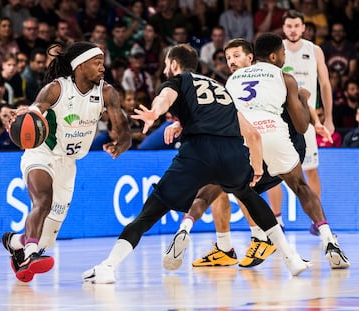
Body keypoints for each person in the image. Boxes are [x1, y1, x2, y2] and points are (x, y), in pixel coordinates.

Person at [83, 43, 311, 284]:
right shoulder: (221, 88)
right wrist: (255, 167)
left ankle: (108, 267)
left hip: (198, 152)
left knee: (149, 213)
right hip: (232, 153)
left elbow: (165, 98)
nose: (164, 69)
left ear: (173, 64)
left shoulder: (177, 81)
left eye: (165, 65)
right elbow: (252, 134)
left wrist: (154, 112)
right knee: (248, 196)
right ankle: (291, 258)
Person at [170, 37, 330, 269]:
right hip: (262, 141)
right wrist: (183, 123)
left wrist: (317, 121)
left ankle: (260, 237)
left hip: (275, 139)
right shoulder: (233, 82)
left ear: (251, 57)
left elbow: (299, 109)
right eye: (228, 58)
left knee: (238, 184)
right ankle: (227, 247)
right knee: (223, 184)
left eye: (236, 56)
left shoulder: (274, 77)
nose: (231, 62)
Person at [1, 41, 131, 283]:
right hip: (42, 152)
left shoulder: (107, 92)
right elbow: (35, 111)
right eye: (97, 62)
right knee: (43, 200)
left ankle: (15, 243)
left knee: (47, 238)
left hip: (68, 163)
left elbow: (124, 133)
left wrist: (119, 146)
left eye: (103, 62)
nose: (103, 67)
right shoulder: (56, 89)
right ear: (80, 66)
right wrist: (21, 115)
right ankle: (30, 254)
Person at [226, 33, 348, 270]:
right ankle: (328, 240)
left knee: (244, 192)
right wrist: (303, 99)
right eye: (283, 53)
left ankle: (266, 240)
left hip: (243, 141)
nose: (284, 56)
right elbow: (302, 126)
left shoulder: (232, 79)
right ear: (274, 56)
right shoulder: (284, 76)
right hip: (272, 134)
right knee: (300, 186)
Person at [282, 10, 335, 234]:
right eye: (289, 26)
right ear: (283, 28)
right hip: (281, 119)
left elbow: (324, 84)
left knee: (311, 170)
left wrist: (329, 117)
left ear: (304, 28)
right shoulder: (277, 48)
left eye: (297, 26)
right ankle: (277, 222)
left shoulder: (314, 50)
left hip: (308, 118)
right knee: (277, 174)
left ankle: (317, 220)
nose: (293, 29)